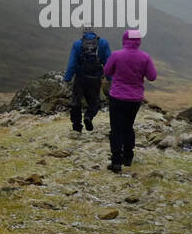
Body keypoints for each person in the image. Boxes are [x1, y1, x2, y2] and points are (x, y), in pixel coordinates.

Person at [102, 30, 157, 173]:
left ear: (124, 39)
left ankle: (116, 162)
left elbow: (107, 71)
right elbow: (152, 76)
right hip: (135, 99)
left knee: (116, 129)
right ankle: (128, 157)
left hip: (117, 97)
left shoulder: (116, 55)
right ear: (138, 41)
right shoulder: (145, 57)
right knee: (128, 126)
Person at [62, 25, 111, 132]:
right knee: (94, 102)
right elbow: (108, 63)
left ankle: (76, 126)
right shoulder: (103, 43)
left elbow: (72, 64)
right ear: (93, 31)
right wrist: (109, 78)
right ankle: (88, 116)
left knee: (76, 102)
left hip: (80, 78)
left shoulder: (77, 44)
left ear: (83, 32)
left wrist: (67, 79)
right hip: (95, 79)